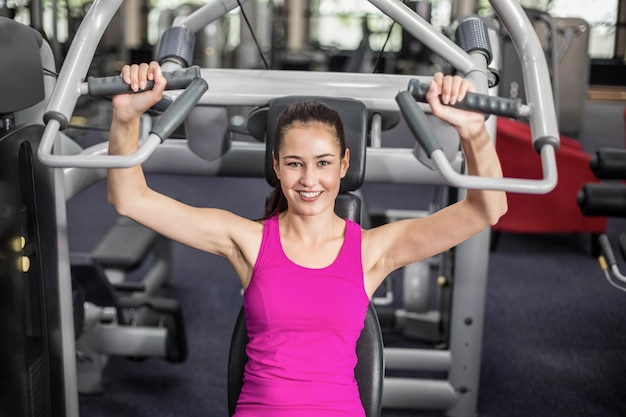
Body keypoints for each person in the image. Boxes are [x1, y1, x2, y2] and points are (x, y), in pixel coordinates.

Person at [107, 61, 508, 417]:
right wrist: (126, 119)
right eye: (295, 164)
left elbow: (486, 209)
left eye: (323, 163)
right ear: (277, 166)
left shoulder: (372, 251)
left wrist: (473, 132)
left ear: (344, 164)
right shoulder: (245, 240)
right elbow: (130, 199)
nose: (309, 180)